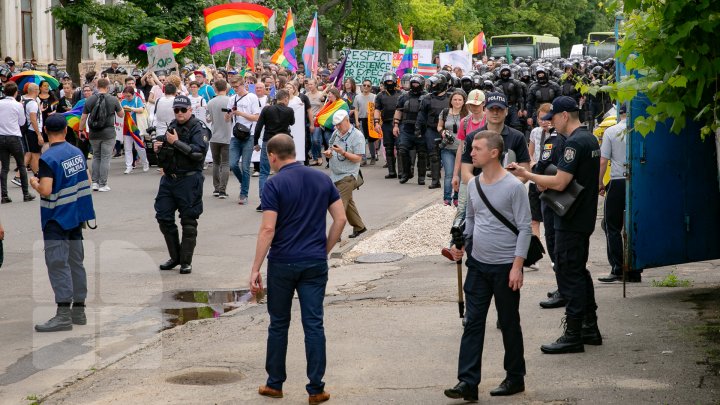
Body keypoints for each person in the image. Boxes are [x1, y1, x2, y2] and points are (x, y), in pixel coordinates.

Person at [249, 134, 345, 405]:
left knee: (279, 323)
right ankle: (316, 389)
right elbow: (340, 219)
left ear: (272, 156)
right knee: (314, 323)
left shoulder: (274, 183)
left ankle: (274, 384)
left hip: (282, 262)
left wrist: (255, 268)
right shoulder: (321, 178)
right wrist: (324, 249)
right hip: (314, 261)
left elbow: (268, 228)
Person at [509, 96, 602, 354]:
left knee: (569, 272)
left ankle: (573, 333)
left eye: (553, 119)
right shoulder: (590, 138)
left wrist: (526, 175)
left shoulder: (573, 143)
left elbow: (561, 182)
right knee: (579, 272)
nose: (552, 125)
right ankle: (589, 327)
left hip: (571, 218)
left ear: (564, 115)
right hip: (580, 217)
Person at [444, 130, 529, 401]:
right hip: (478, 265)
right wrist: (460, 245)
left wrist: (517, 266)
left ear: (494, 153)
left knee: (508, 322)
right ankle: (467, 382)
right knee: (473, 323)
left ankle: (515, 378)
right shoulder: (475, 185)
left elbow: (525, 229)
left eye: (477, 148)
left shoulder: (514, 187)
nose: (472, 152)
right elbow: (470, 220)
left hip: (505, 266)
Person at [30, 114, 96, 332]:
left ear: (46, 132)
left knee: (58, 264)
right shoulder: (76, 152)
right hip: (77, 216)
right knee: (76, 263)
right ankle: (79, 310)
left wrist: (34, 182)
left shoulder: (48, 159)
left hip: (56, 219)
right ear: (66, 131)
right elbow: (86, 180)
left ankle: (63, 315)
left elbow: (46, 190)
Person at [152, 95, 210, 275]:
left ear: (190, 110)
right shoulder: (172, 126)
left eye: (183, 110)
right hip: (170, 179)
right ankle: (175, 256)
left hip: (189, 179)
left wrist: (175, 142)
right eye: (176, 110)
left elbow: (198, 154)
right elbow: (165, 154)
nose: (179, 113)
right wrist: (159, 147)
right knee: (163, 216)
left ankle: (186, 261)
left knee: (189, 221)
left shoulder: (198, 128)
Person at [597, 105, 641, 282]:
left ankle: (617, 268)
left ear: (619, 114)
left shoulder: (611, 131)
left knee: (612, 225)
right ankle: (635, 269)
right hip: (638, 182)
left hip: (618, 180)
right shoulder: (640, 128)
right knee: (634, 225)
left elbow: (603, 160)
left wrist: (599, 182)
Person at [325, 109, 366, 238]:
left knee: (338, 205)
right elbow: (330, 146)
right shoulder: (336, 133)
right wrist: (329, 152)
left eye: (339, 124)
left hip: (348, 175)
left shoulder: (357, 136)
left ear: (347, 121)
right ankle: (360, 227)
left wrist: (343, 153)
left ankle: (336, 235)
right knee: (348, 204)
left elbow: (358, 158)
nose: (337, 127)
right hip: (336, 174)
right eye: (336, 125)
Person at [79, 78, 123, 192]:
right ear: (108, 87)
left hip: (94, 133)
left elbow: (83, 117)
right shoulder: (113, 99)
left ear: (96, 86)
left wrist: (80, 130)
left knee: (96, 156)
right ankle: (103, 184)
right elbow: (121, 114)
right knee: (105, 158)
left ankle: (94, 183)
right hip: (108, 133)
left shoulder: (89, 99)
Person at [254, 89, 295, 211]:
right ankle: (283, 200)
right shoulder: (289, 110)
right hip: (283, 142)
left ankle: (264, 200)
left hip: (269, 141)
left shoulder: (267, 109)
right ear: (286, 98)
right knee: (283, 172)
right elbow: (292, 122)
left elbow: (258, 127)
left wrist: (256, 142)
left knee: (264, 172)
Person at [226, 77, 260, 206]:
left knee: (245, 167)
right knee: (233, 164)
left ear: (244, 85)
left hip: (249, 135)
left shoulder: (252, 97)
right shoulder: (232, 98)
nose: (236, 89)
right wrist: (228, 115)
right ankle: (243, 183)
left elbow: (256, 117)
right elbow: (226, 118)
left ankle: (244, 193)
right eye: (233, 87)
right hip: (235, 135)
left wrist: (240, 113)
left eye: (237, 87)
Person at [0, 82, 34, 203]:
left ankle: (4, 195)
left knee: (4, 167)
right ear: (15, 93)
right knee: (21, 165)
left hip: (1, 136)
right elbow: (22, 122)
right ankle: (25, 194)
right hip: (14, 136)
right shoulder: (18, 105)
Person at [416, 74, 451, 189]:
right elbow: (421, 116)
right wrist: (418, 129)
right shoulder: (427, 99)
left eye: (434, 84)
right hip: (431, 129)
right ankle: (436, 181)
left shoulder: (450, 98)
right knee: (434, 155)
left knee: (450, 154)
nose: (432, 86)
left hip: (448, 130)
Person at [437, 89, 468, 205]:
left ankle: (456, 197)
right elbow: (439, 126)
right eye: (455, 99)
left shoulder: (467, 114)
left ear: (463, 101)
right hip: (447, 148)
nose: (457, 102)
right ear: (451, 101)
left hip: (462, 148)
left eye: (460, 100)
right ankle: (447, 199)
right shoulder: (445, 112)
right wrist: (443, 132)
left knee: (459, 174)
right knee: (449, 173)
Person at [395, 74, 427, 185]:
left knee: (422, 154)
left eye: (417, 83)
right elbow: (398, 110)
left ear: (421, 84)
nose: (414, 85)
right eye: (413, 83)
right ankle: (406, 173)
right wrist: (395, 125)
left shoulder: (427, 96)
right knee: (402, 150)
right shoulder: (404, 96)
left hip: (421, 130)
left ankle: (421, 177)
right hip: (406, 128)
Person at [206, 79, 232, 199]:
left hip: (214, 135)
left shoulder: (210, 102)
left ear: (215, 89)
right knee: (225, 163)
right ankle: (222, 190)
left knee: (216, 163)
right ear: (226, 88)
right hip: (227, 135)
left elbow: (208, 119)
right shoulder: (230, 101)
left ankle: (216, 188)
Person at [374, 72, 401, 178]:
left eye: (391, 81)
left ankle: (402, 172)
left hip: (399, 124)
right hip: (386, 123)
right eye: (387, 82)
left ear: (395, 82)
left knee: (400, 148)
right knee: (388, 148)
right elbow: (377, 109)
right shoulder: (380, 96)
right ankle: (391, 171)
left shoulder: (401, 94)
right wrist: (376, 123)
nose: (389, 83)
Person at [120, 86, 149, 174]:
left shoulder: (137, 100)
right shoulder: (123, 101)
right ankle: (129, 166)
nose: (127, 98)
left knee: (139, 147)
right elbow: (120, 113)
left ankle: (145, 163)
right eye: (125, 96)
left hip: (137, 127)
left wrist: (131, 109)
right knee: (127, 148)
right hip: (126, 127)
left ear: (133, 94)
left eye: (129, 96)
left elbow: (141, 109)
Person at [21, 83, 44, 177]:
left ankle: (35, 173)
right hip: (33, 130)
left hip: (29, 130)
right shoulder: (33, 103)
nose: (39, 91)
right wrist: (38, 134)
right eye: (38, 89)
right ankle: (37, 174)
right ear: (35, 91)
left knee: (33, 153)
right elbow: (33, 119)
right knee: (35, 155)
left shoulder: (24, 100)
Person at [354, 79, 377, 165]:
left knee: (371, 140)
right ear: (362, 86)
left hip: (370, 120)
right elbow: (356, 110)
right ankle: (363, 159)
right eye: (364, 85)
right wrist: (356, 121)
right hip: (361, 119)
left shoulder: (374, 96)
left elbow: (377, 108)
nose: (366, 87)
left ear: (371, 87)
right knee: (361, 139)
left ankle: (373, 156)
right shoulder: (357, 97)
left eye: (368, 85)